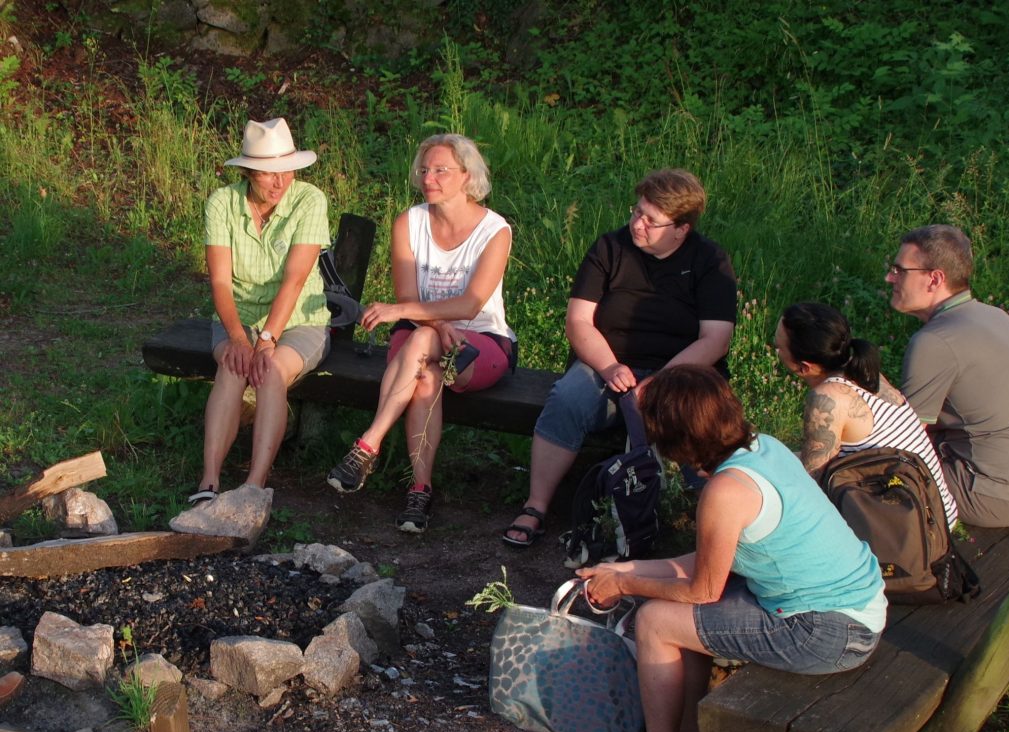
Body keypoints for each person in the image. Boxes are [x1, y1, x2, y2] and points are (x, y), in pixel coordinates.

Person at [575, 365, 886, 732]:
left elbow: (702, 588)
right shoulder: (762, 450)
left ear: (675, 438)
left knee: (656, 621)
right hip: (857, 609)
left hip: (828, 630)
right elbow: (709, 563)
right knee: (680, 615)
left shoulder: (725, 490)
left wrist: (623, 584)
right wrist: (621, 568)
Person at [501, 169, 736, 547]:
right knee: (568, 398)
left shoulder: (710, 261)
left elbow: (716, 339)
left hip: (683, 370)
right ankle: (536, 505)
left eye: (651, 220)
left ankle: (701, 521)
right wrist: (609, 366)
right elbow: (579, 320)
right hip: (607, 361)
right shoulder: (610, 248)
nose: (637, 223)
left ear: (682, 229)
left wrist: (662, 381)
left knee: (695, 415)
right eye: (637, 211)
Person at [325, 134, 515, 532]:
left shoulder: (495, 230)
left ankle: (368, 444)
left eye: (441, 170)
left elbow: (470, 305)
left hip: (479, 343)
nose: (430, 177)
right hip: (419, 337)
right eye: (425, 169)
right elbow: (409, 294)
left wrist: (407, 315)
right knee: (426, 374)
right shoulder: (409, 222)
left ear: (467, 175)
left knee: (424, 343)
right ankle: (419, 491)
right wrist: (434, 323)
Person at [888, 224, 1009, 527]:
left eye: (900, 270)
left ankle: (879, 571)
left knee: (861, 479)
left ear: (934, 279)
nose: (889, 278)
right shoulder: (994, 316)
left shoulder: (935, 342)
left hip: (994, 496)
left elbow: (904, 441)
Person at [192, 117, 330, 504]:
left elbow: (296, 279)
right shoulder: (222, 203)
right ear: (249, 172)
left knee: (269, 371)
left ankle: (254, 485)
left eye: (286, 171)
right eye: (268, 174)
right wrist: (239, 337)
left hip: (301, 318)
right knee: (232, 366)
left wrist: (267, 339)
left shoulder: (309, 199)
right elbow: (220, 282)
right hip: (238, 316)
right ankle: (209, 482)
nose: (279, 182)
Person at [774, 301, 957, 528]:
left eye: (778, 347)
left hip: (912, 533)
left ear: (803, 367)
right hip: (935, 513)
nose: (776, 352)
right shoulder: (864, 373)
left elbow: (813, 481)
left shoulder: (829, 398)